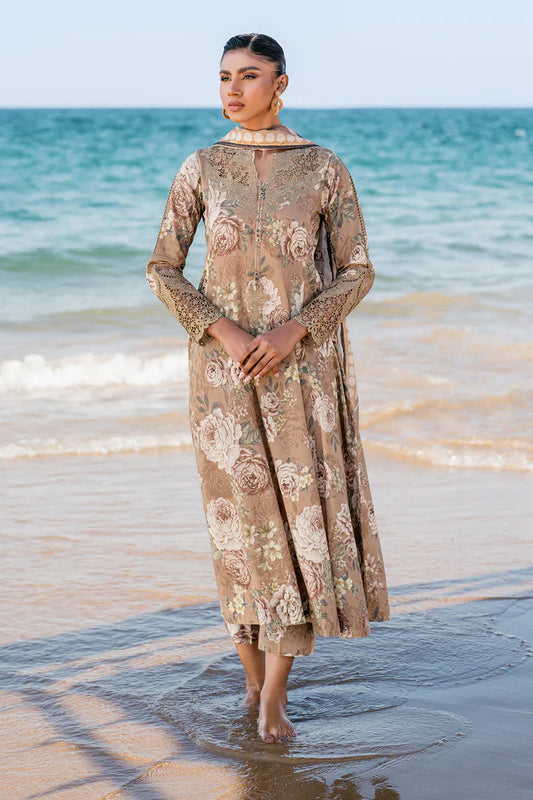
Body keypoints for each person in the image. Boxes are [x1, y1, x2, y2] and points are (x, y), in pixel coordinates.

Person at [146, 32, 391, 745]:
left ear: (281, 83)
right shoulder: (201, 167)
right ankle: (251, 679)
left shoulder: (322, 169)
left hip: (302, 374)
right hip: (221, 381)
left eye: (248, 77)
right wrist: (220, 330)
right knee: (238, 532)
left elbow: (357, 269)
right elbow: (162, 266)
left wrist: (296, 331)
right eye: (223, 76)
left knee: (294, 529)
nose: (232, 89)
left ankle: (275, 695)